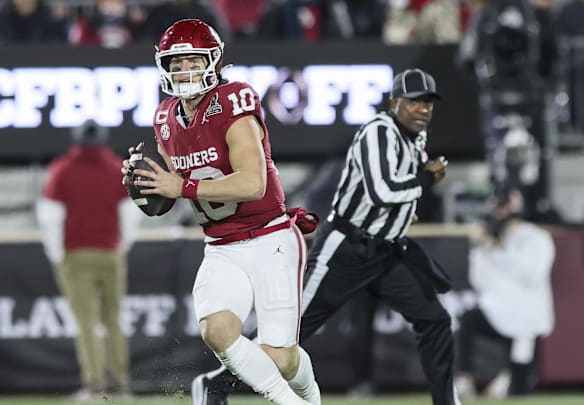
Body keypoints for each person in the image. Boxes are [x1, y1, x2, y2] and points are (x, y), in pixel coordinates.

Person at [192, 68, 462, 405]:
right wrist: (424, 179)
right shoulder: (378, 132)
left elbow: (392, 197)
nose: (423, 109)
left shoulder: (415, 139)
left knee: (434, 319)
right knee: (291, 329)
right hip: (347, 247)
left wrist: (409, 207)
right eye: (414, 102)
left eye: (428, 103)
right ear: (395, 103)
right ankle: (217, 381)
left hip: (386, 251)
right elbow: (382, 191)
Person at [122, 19, 321, 405]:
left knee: (281, 358)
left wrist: (181, 187)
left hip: (271, 237)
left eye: (192, 61)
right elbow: (165, 196)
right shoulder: (164, 118)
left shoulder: (234, 100)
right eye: (175, 64)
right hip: (221, 245)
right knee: (217, 330)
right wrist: (143, 180)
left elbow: (252, 184)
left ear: (212, 61)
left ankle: (308, 396)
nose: (184, 71)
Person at [37, 119, 141, 401]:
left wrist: (57, 254)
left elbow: (50, 216)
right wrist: (121, 246)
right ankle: (120, 384)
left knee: (86, 323)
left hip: (76, 254)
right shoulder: (115, 167)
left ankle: (95, 385)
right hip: (111, 253)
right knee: (114, 320)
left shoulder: (62, 169)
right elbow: (130, 213)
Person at [454, 185, 555, 399]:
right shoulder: (491, 241)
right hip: (497, 312)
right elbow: (479, 282)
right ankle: (464, 378)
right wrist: (478, 250)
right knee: (468, 320)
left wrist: (504, 248)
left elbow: (532, 276)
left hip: (526, 319)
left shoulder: (536, 237)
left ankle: (509, 377)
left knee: (519, 389)